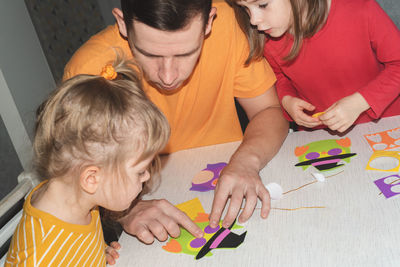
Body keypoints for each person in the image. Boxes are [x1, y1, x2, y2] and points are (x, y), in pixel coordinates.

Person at [64, 0, 288, 243]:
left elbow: (269, 111)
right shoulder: (87, 71)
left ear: (209, 23)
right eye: (150, 54)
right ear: (122, 25)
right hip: (143, 197)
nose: (168, 75)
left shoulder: (230, 22)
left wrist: (246, 161)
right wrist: (126, 210)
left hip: (232, 180)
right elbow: (76, 178)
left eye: (185, 53)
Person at [5, 55, 170, 266]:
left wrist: (96, 253)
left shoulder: (77, 197)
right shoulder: (41, 257)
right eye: (140, 171)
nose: (147, 175)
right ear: (92, 178)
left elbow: (74, 246)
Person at [229, 0, 400, 132]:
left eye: (262, 4)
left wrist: (359, 102)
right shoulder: (267, 37)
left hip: (387, 125)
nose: (253, 20)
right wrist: (287, 99)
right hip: (320, 137)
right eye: (245, 8)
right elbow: (280, 78)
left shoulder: (360, 9)